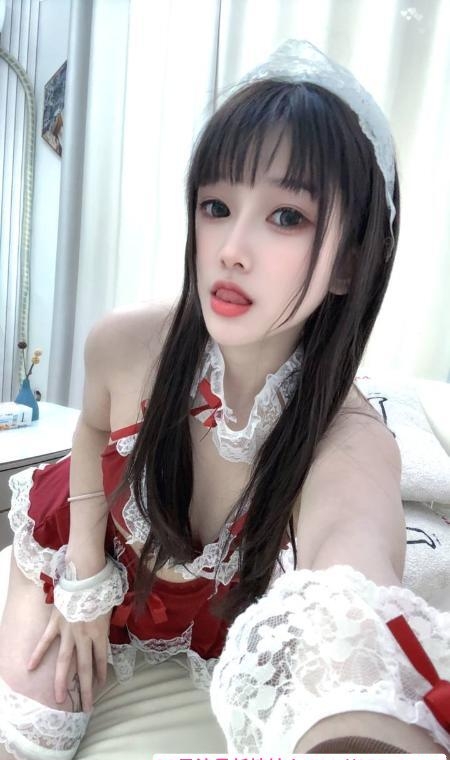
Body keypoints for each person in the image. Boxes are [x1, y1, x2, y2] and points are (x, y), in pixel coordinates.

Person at [0, 39, 449, 759]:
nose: (232, 248)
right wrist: (84, 576)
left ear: (349, 264)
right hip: (87, 548)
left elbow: (353, 580)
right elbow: (89, 433)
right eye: (216, 206)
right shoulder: (125, 342)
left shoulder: (350, 442)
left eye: (287, 217)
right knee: (31, 739)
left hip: (197, 611)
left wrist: (363, 717)